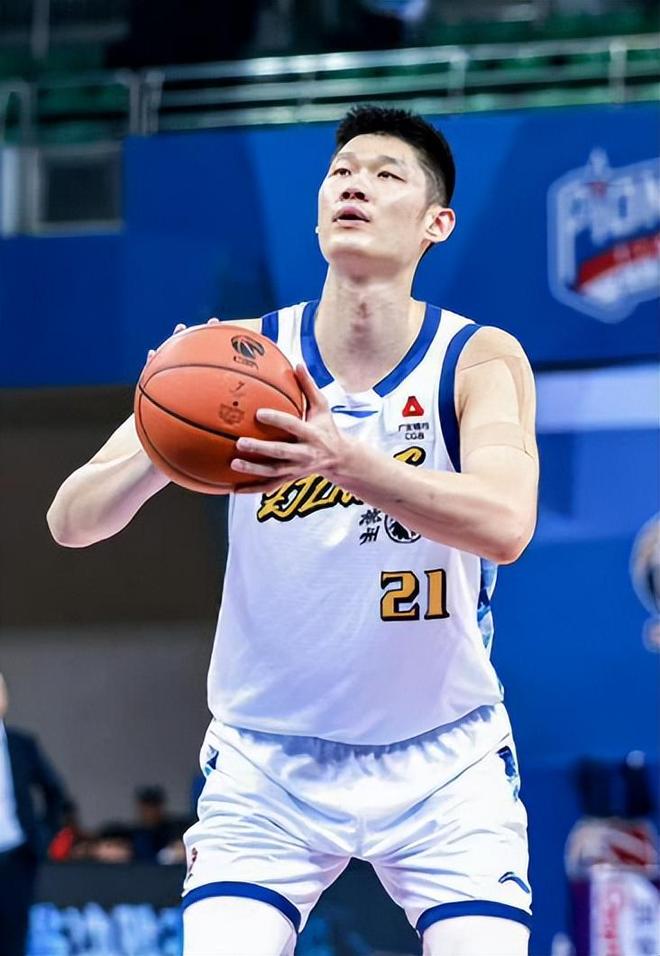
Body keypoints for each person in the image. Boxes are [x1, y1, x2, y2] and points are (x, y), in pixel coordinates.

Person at [46, 105, 539, 956]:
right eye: (341, 171)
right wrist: (165, 438)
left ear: (436, 223)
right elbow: (71, 520)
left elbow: (505, 524)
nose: (356, 184)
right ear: (317, 214)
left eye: (386, 174)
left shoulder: (477, 359)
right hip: (267, 764)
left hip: (444, 761)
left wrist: (347, 461)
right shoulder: (236, 358)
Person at [0, 673, 67, 956]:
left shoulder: (21, 745)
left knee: (13, 940)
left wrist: (42, 837)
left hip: (16, 858)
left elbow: (56, 794)